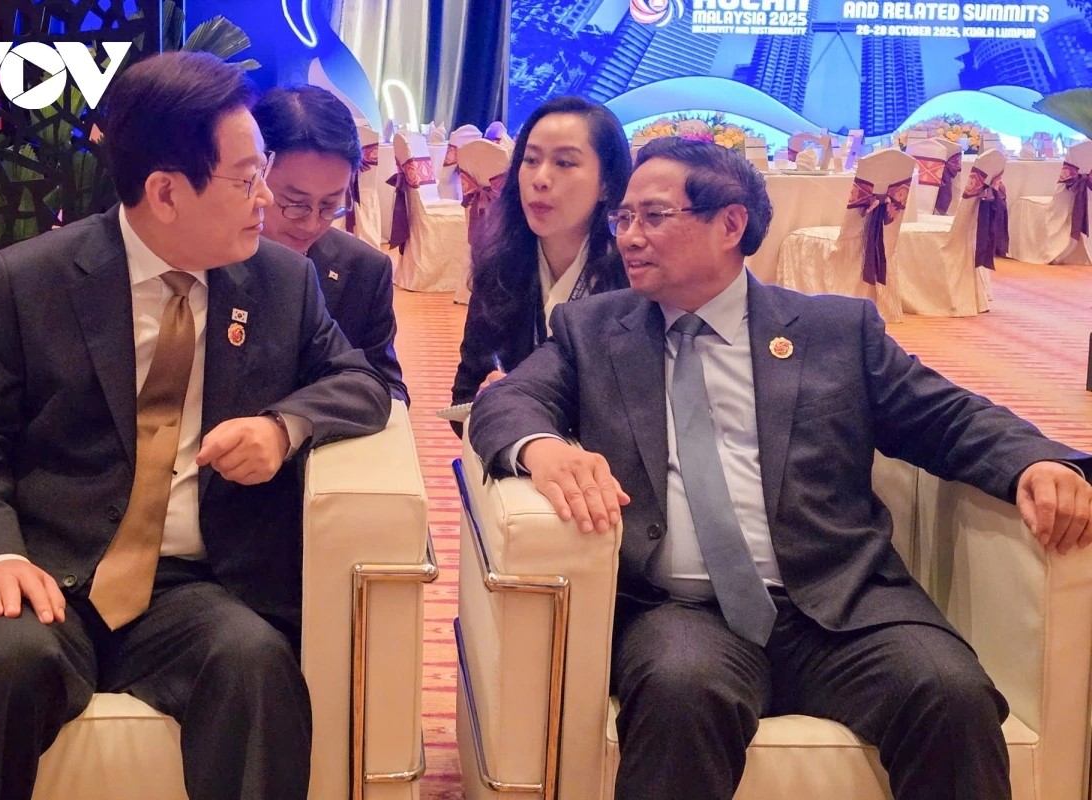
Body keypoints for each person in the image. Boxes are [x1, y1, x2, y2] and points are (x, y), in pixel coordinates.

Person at [467, 137, 1092, 800]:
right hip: (681, 611)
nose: (630, 236)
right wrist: (545, 447)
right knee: (680, 692)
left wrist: (1035, 461)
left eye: (654, 216)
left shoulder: (836, 330)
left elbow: (948, 418)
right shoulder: (593, 330)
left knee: (949, 692)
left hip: (842, 605)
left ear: (730, 224)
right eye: (623, 218)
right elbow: (506, 401)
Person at [0, 51, 391, 800]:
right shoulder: (32, 279)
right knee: (4, 664)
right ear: (165, 192)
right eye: (246, 180)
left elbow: (363, 383)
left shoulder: (281, 283)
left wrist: (283, 428)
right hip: (44, 569)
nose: (265, 199)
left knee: (254, 663)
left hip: (192, 585)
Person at [450, 96, 631, 423]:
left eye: (565, 163)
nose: (540, 179)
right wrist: (489, 401)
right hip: (515, 447)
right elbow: (463, 397)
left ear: (607, 184)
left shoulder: (631, 277)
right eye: (531, 160)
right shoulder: (501, 267)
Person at [252, 84, 409, 404]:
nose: (312, 224)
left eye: (330, 205)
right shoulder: (211, 256)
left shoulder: (365, 270)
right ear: (254, 176)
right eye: (295, 203)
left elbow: (388, 387)